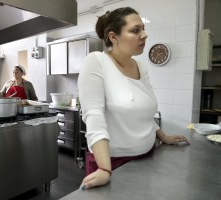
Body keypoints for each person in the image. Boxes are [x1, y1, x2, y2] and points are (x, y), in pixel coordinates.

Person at [78, 7, 190, 190]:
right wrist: (105, 169)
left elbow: (143, 112)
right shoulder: (96, 61)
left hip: (147, 157)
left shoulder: (141, 66)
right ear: (114, 37)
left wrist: (164, 137)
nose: (144, 35)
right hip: (112, 163)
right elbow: (94, 116)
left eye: (143, 29)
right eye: (136, 30)